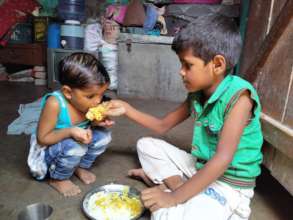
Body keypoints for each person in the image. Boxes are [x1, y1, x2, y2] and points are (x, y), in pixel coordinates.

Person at [106, 15, 263, 220]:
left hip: (229, 183)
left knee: (167, 214)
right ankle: (182, 188)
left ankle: (176, 191)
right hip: (201, 167)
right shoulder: (197, 94)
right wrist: (127, 109)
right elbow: (163, 125)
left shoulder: (239, 97)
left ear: (217, 64)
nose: (181, 72)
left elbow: (223, 159)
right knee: (146, 145)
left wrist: (172, 199)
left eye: (187, 65)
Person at [28, 53, 113, 197]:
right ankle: (57, 178)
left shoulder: (88, 102)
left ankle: (78, 167)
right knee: (74, 146)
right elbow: (42, 138)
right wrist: (70, 132)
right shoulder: (55, 104)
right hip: (50, 151)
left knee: (103, 136)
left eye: (101, 94)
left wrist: (97, 121)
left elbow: (87, 123)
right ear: (68, 92)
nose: (98, 101)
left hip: (76, 143)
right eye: (91, 96)